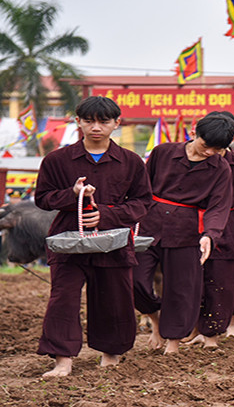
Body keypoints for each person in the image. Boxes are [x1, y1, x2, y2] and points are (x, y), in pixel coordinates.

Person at [35, 96, 152, 377]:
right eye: (88, 121)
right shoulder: (57, 160)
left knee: (114, 297)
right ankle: (62, 360)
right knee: (63, 299)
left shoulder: (131, 161)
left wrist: (107, 215)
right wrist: (71, 194)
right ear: (78, 122)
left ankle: (111, 356)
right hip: (68, 241)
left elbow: (142, 202)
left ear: (116, 124)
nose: (95, 127)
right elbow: (42, 198)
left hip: (113, 243)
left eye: (103, 121)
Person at [133, 113, 234, 354]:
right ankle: (155, 319)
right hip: (149, 224)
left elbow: (219, 207)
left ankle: (173, 343)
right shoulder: (163, 152)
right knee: (134, 279)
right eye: (206, 145)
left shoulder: (221, 169)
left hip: (187, 231)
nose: (210, 152)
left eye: (217, 149)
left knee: (182, 288)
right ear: (194, 133)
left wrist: (210, 234)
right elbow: (142, 186)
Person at [184, 112, 234, 348]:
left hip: (228, 230)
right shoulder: (185, 159)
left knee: (221, 285)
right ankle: (193, 328)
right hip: (189, 229)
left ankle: (212, 335)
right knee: (191, 282)